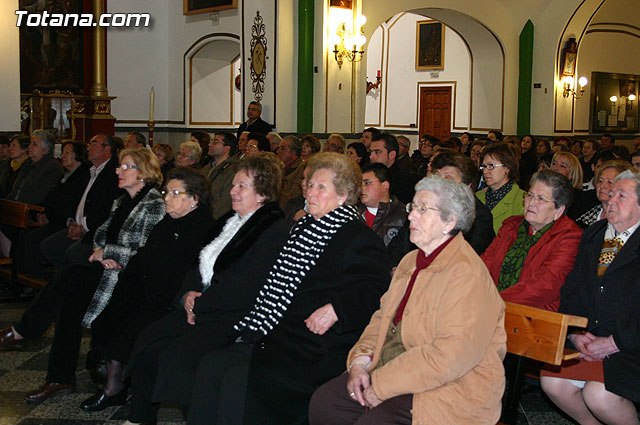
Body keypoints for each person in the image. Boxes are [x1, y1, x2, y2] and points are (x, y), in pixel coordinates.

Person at [309, 175, 506, 425]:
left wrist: (380, 385)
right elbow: (381, 318)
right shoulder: (410, 261)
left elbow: (449, 356)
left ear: (450, 221)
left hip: (452, 385)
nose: (411, 216)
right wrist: (359, 362)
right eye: (413, 207)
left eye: (423, 209)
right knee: (327, 403)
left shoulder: (467, 275)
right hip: (398, 368)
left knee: (375, 421)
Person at [122, 156, 290, 425]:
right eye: (234, 184)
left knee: (180, 357)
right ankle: (140, 417)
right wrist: (188, 293)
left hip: (232, 314)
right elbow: (197, 262)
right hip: (202, 306)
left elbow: (247, 284)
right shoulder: (228, 221)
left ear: (262, 193)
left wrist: (201, 304)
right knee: (149, 342)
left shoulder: (273, 230)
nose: (233, 191)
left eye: (241, 186)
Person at [0, 148, 166, 404]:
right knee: (69, 303)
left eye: (125, 167)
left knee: (69, 276)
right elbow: (102, 232)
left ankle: (26, 333)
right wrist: (102, 250)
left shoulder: (154, 204)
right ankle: (59, 376)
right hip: (108, 270)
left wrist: (106, 252)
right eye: (119, 166)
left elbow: (143, 250)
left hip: (131, 278)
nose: (118, 171)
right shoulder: (121, 201)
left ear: (143, 172)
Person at [237, 152, 391, 425]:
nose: (310, 192)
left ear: (343, 195)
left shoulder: (358, 237)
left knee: (259, 372)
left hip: (322, 339)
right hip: (289, 328)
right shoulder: (303, 228)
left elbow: (374, 290)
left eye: (321, 187)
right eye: (310, 186)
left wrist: (337, 309)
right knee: (226, 368)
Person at [79, 167, 215, 412]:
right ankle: (115, 384)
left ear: (194, 198)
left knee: (136, 326)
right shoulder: (167, 222)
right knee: (111, 309)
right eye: (166, 192)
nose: (167, 198)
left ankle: (117, 388)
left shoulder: (202, 227)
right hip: (149, 290)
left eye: (175, 193)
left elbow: (185, 273)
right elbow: (145, 257)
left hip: (171, 300)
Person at [540, 170, 640, 425]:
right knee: (553, 381)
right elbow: (573, 287)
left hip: (630, 346)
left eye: (621, 195)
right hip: (592, 337)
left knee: (599, 394)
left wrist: (616, 342)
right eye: (610, 193)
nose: (610, 199)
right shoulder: (595, 234)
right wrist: (575, 332)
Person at [481, 169, 582, 310]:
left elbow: (545, 285)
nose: (532, 203)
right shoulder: (511, 227)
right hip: (491, 307)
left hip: (534, 319)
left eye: (541, 199)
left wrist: (494, 303)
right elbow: (484, 266)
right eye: (530, 195)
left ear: (558, 211)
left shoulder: (569, 237)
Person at [16, 142, 90, 277]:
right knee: (24, 235)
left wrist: (49, 216)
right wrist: (43, 212)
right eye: (62, 152)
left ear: (77, 155)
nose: (63, 156)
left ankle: (33, 280)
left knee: (34, 239)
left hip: (65, 221)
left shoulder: (83, 175)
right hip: (55, 218)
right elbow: (52, 197)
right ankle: (22, 278)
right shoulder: (67, 175)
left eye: (67, 152)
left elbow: (70, 204)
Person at [476, 142, 525, 233]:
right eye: (484, 166)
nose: (485, 171)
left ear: (507, 168)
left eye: (491, 166)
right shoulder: (476, 197)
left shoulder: (522, 201)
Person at [358, 163, 407, 246]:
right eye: (359, 183)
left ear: (384, 186)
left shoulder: (404, 216)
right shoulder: (352, 213)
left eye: (367, 183)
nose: (361, 188)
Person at [575, 160, 633, 229]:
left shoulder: (629, 220)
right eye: (600, 181)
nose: (602, 186)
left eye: (610, 182)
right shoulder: (585, 215)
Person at [201, 131, 239, 219]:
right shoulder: (207, 168)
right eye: (211, 141)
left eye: (215, 142)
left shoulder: (233, 170)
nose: (210, 144)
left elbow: (225, 204)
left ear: (227, 148)